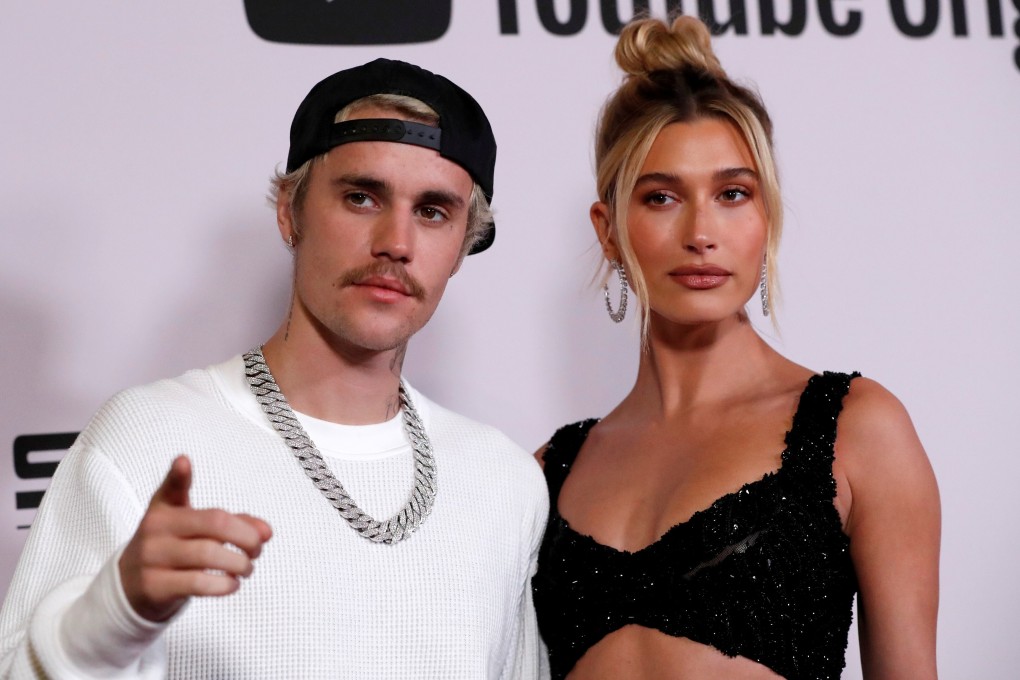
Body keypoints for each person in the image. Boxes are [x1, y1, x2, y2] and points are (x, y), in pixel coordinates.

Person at [0, 58, 549, 679]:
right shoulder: (147, 438)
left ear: (460, 247)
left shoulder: (503, 481)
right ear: (290, 212)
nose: (396, 241)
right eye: (362, 197)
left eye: (432, 211)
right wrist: (111, 619)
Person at [531, 16, 940, 680]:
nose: (701, 233)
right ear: (608, 232)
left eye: (732, 194)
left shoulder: (856, 430)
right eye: (661, 197)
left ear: (766, 217)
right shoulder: (548, 472)